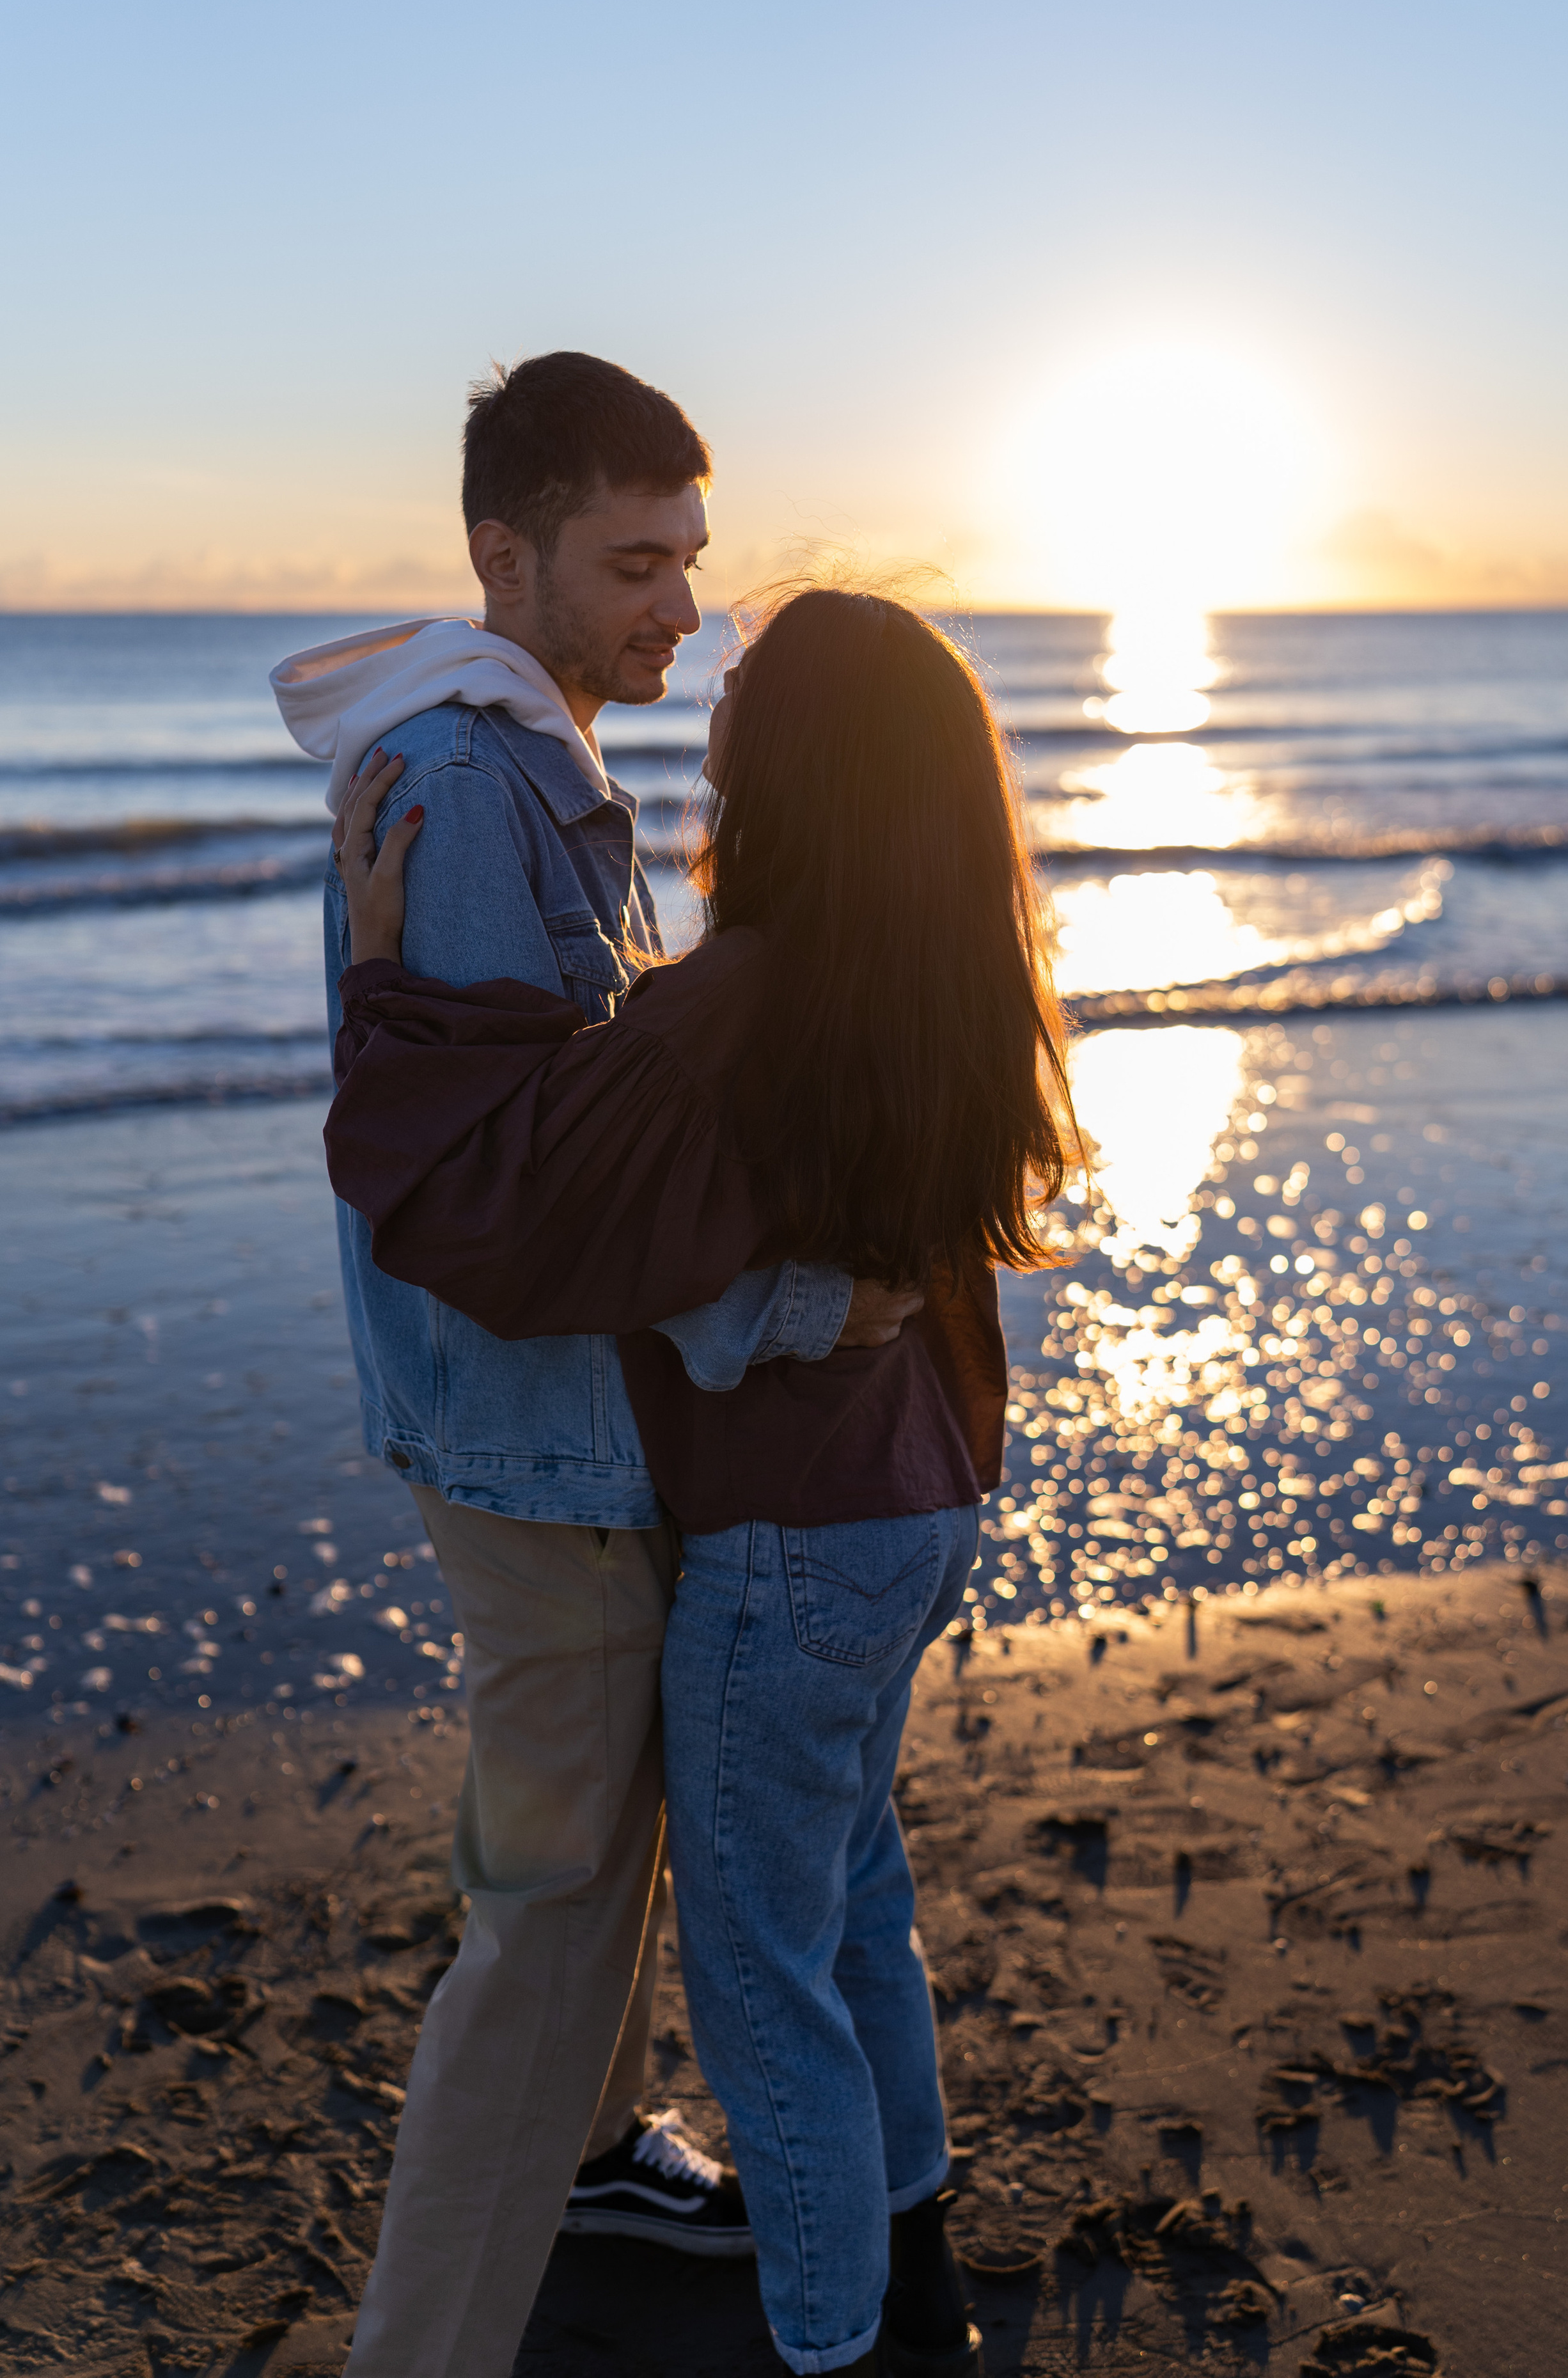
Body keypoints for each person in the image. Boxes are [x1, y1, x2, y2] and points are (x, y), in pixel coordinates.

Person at [324, 584, 1074, 2378]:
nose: (712, 690)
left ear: (796, 762)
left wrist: (383, 983)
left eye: (748, 682)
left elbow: (482, 1211)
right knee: (856, 1899)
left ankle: (834, 2345)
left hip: (794, 1539)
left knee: (756, 1978)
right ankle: (917, 2268)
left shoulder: (732, 1003)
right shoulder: (942, 953)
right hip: (925, 1495)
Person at [269, 357, 920, 2378]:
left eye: (690, 562)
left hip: (549, 1430)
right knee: (549, 1923)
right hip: (536, 1446)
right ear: (504, 553)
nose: (679, 611)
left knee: (600, 1867)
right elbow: (523, 1207)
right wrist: (806, 1314)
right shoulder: (477, 791)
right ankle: (430, 2350)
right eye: (633, 564)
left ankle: (605, 2158)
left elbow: (586, 1143)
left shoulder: (524, 756)